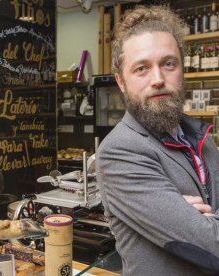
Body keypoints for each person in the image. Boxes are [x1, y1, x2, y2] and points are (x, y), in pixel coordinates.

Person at [96, 5, 219, 275]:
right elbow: (212, 245)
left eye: (168, 63)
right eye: (141, 68)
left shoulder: (202, 139)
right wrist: (196, 226)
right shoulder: (120, 151)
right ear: (121, 81)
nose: (158, 79)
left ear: (182, 69)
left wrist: (188, 216)